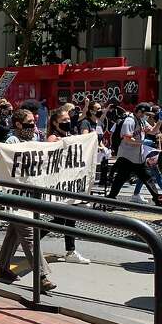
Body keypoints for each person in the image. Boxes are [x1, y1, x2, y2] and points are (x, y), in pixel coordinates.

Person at [0, 109, 57, 292]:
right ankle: (41, 277)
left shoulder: (34, 140)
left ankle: (2, 268)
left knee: (14, 233)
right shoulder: (12, 142)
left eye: (34, 122)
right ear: (18, 124)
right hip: (16, 197)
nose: (33, 125)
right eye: (29, 122)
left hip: (29, 195)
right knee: (29, 234)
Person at [43, 108, 90, 263]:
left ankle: (71, 251)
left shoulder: (69, 136)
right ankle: (30, 239)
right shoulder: (53, 137)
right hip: (57, 186)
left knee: (69, 219)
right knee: (60, 220)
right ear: (55, 123)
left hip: (69, 185)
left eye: (68, 119)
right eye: (63, 120)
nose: (67, 122)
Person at [107, 102, 162, 206]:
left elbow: (153, 131)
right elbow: (127, 139)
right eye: (146, 114)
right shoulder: (129, 121)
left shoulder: (141, 121)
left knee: (147, 178)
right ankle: (110, 198)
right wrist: (142, 142)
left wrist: (160, 121)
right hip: (127, 156)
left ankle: (157, 198)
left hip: (138, 157)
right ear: (140, 111)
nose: (147, 116)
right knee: (121, 178)